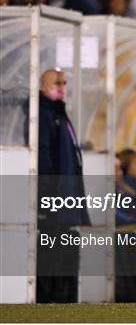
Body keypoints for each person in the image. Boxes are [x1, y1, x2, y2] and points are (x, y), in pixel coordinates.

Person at [36, 68, 91, 303]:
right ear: (42, 85)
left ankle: (64, 297)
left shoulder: (60, 113)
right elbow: (43, 155)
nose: (62, 86)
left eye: (64, 82)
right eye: (56, 82)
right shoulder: (44, 114)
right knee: (50, 248)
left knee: (64, 247)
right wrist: (47, 194)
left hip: (66, 198)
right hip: (55, 199)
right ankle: (46, 297)